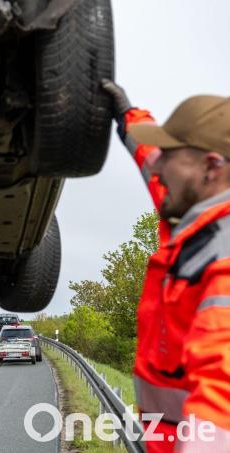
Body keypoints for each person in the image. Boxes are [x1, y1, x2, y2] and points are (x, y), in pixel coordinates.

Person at [101, 80, 230, 452]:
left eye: (170, 156)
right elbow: (150, 155)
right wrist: (127, 116)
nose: (157, 169)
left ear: (211, 167)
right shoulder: (192, 210)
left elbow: (222, 392)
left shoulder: (221, 256)